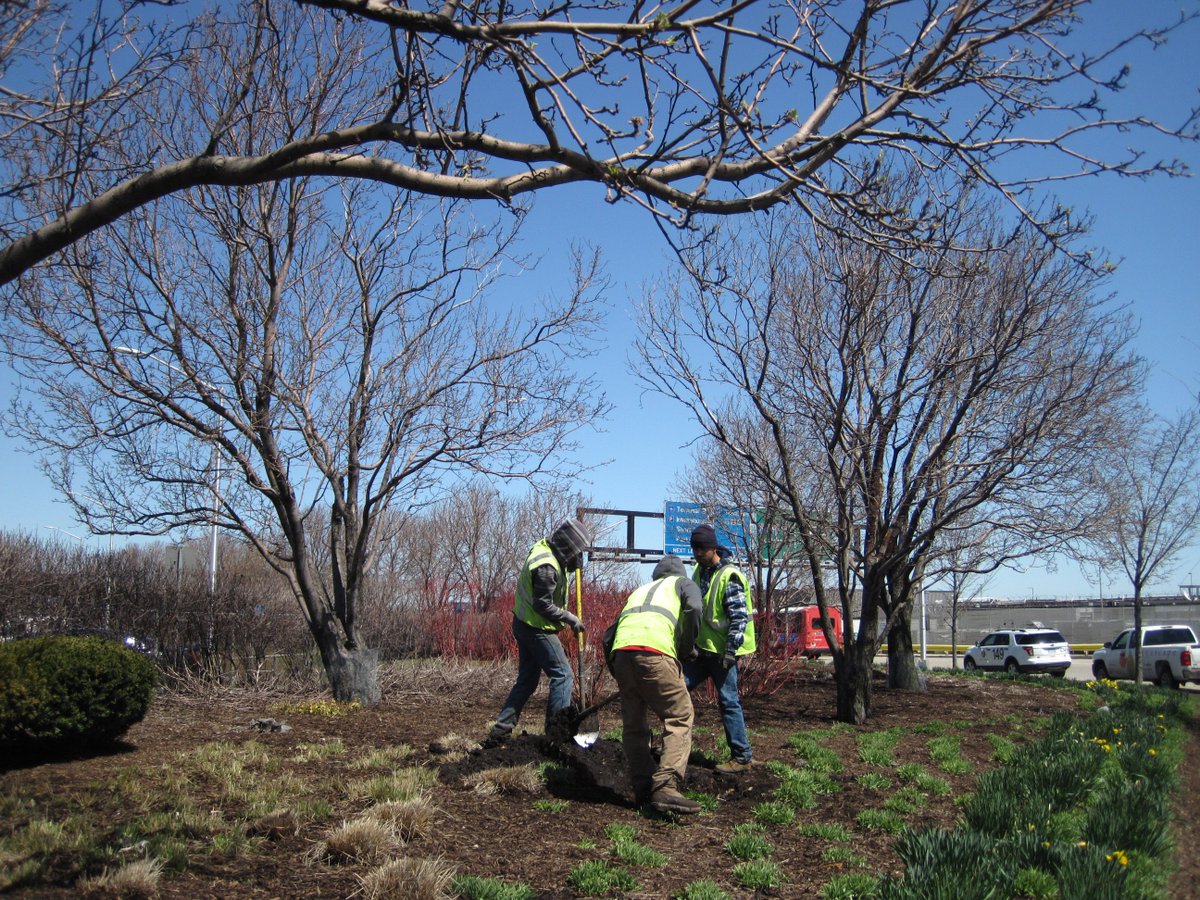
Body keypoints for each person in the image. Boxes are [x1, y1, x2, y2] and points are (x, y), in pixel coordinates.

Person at [608, 554, 704, 815]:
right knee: (679, 716)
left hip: (622, 655)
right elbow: (695, 609)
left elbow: (610, 633)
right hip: (655, 652)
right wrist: (686, 648)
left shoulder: (639, 591)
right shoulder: (683, 584)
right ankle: (665, 786)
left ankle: (642, 790)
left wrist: (618, 670)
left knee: (635, 725)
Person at [486, 518, 589, 745]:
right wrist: (569, 618)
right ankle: (556, 736)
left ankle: (500, 730)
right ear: (566, 549)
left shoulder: (549, 552)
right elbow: (543, 604)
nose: (579, 559)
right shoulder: (547, 567)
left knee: (527, 681)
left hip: (525, 623)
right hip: (535, 627)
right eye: (577, 553)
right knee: (563, 675)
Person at [685, 523, 756, 774]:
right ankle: (671, 747)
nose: (696, 554)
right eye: (694, 549)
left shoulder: (730, 576)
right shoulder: (698, 570)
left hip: (722, 654)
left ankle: (742, 757)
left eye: (700, 549)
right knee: (676, 688)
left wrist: (730, 652)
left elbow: (738, 617)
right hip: (702, 651)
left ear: (713, 548)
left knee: (728, 702)